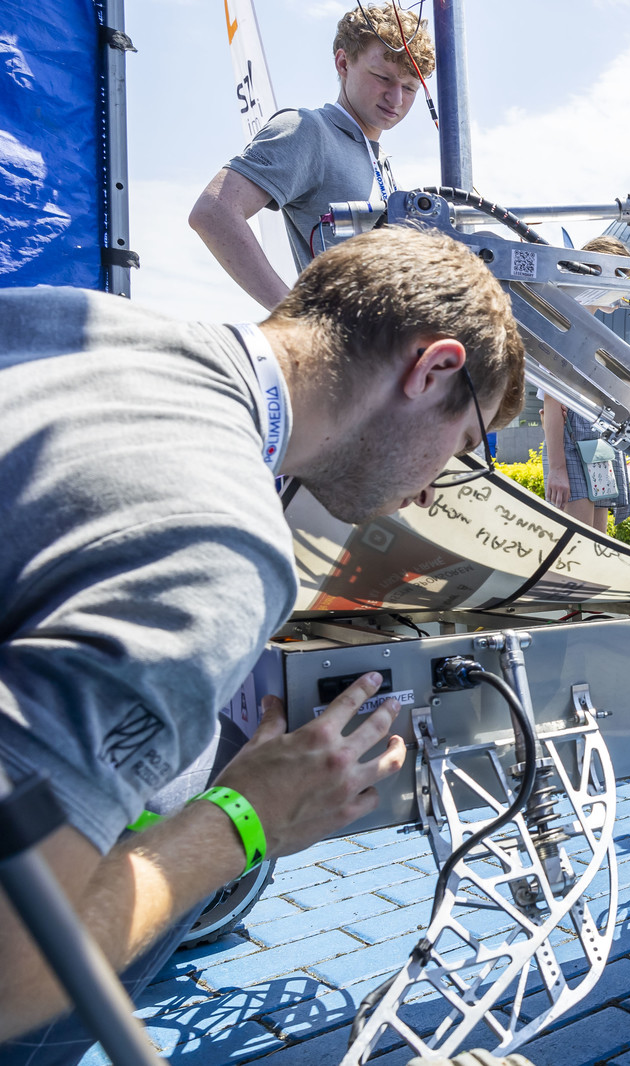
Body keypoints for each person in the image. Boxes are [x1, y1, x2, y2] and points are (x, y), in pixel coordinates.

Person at [0, 226, 524, 1050]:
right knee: (194, 792)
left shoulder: (62, 318)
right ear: (433, 370)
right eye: (462, 447)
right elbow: (12, 967)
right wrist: (247, 819)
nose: (432, 492)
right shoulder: (218, 542)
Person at [189, 6, 432, 309]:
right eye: (382, 77)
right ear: (343, 63)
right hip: (332, 337)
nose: (395, 99)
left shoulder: (381, 162)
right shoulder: (309, 130)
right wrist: (290, 316)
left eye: (409, 88)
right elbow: (213, 211)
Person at [542, 235, 630, 533]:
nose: (624, 292)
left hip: (598, 444)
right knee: (579, 544)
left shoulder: (590, 326)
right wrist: (557, 468)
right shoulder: (566, 322)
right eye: (620, 278)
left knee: (597, 542)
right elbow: (551, 400)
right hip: (572, 442)